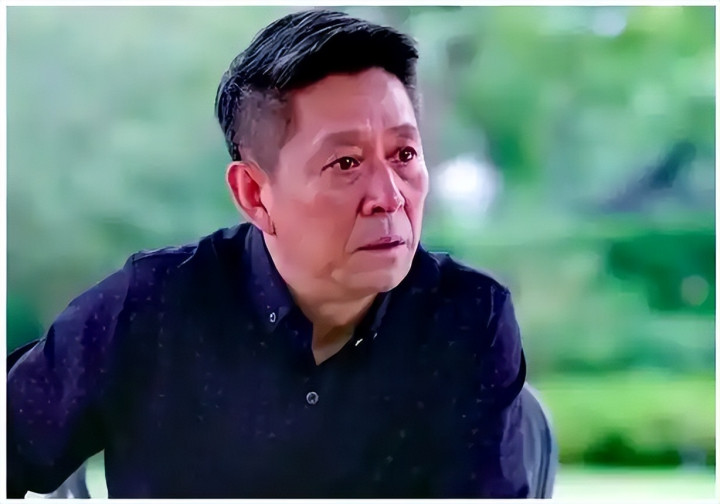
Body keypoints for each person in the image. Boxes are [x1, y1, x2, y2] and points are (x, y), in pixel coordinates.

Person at [7, 9, 528, 498]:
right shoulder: (149, 311)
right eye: (346, 163)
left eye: (404, 154)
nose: (389, 196)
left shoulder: (467, 318)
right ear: (255, 194)